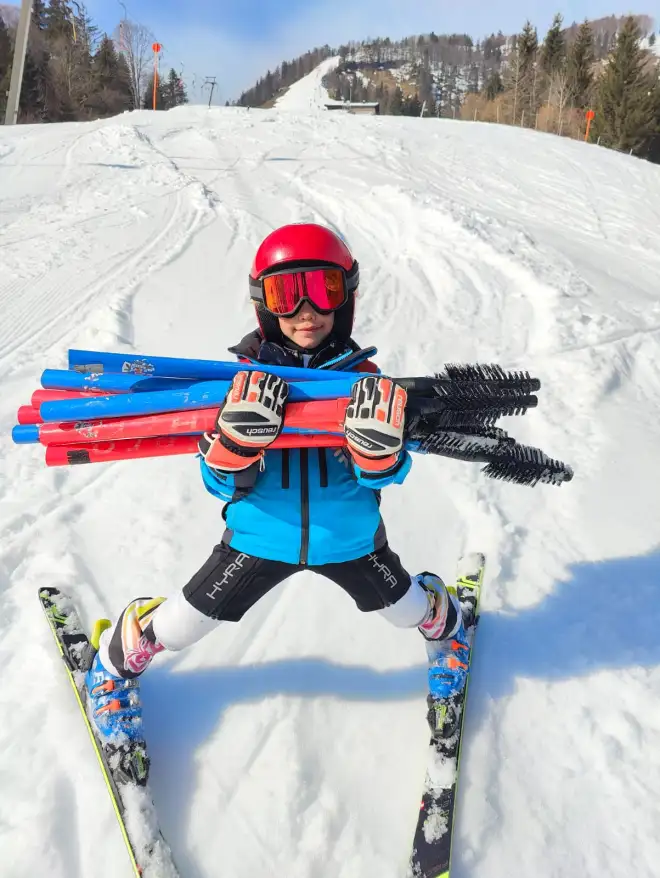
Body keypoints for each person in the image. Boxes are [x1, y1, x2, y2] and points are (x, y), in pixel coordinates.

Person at [85, 223, 470, 745]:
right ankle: (113, 665)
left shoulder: (370, 384)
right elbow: (218, 482)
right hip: (257, 540)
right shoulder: (238, 385)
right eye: (286, 294)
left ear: (346, 298)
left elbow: (389, 474)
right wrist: (233, 451)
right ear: (263, 304)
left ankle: (446, 626)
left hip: (351, 541)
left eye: (323, 289)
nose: (306, 309)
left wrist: (379, 456)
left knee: (407, 612)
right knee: (180, 626)